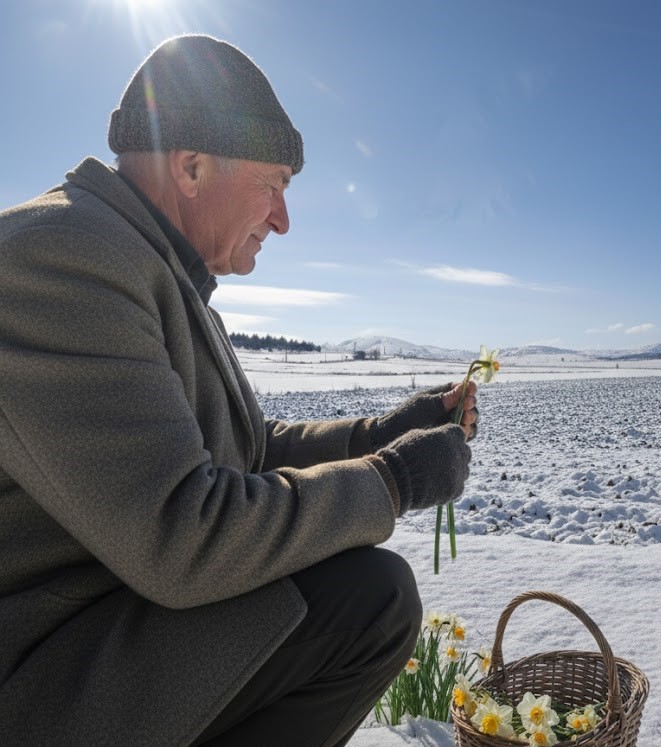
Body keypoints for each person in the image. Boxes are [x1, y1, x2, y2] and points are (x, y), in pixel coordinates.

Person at [0, 34, 478, 746]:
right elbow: (181, 533)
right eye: (274, 184)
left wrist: (378, 435)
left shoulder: (153, 268)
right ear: (191, 166)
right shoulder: (61, 257)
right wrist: (392, 480)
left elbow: (244, 449)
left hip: (109, 618)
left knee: (358, 590)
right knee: (367, 601)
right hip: (39, 674)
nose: (283, 219)